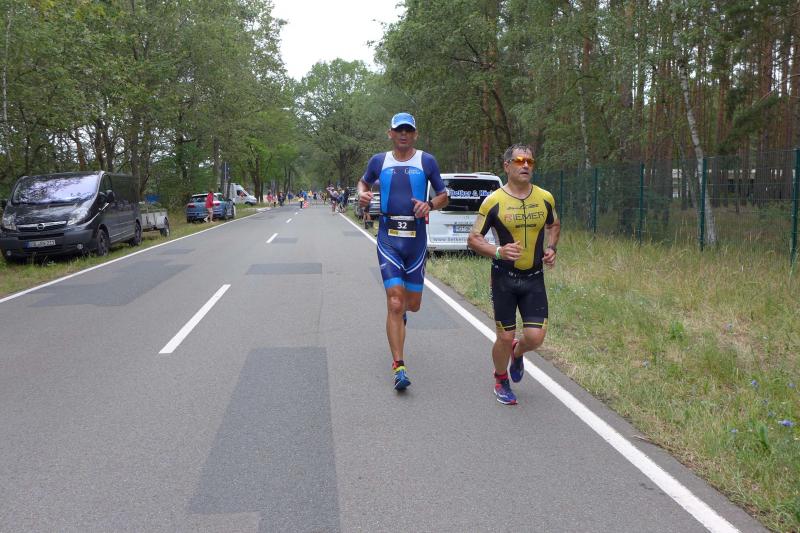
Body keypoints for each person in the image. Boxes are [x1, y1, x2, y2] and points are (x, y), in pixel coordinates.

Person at [358, 112, 448, 391]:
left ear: (415, 134)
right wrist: (362, 193)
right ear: (391, 133)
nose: (404, 134)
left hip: (416, 239)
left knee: (412, 304)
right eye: (399, 130)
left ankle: (402, 316)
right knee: (395, 302)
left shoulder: (426, 161)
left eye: (408, 130)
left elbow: (444, 195)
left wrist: (429, 205)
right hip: (388, 237)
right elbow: (363, 182)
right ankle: (399, 366)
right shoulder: (379, 161)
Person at [467, 144, 560, 405]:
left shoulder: (545, 197)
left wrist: (551, 248)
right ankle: (501, 379)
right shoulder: (493, 201)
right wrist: (498, 251)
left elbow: (554, 224)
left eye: (530, 161)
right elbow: (473, 240)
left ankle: (518, 353)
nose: (526, 165)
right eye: (519, 161)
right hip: (504, 279)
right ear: (507, 166)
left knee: (535, 338)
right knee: (505, 337)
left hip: (534, 278)